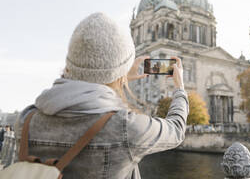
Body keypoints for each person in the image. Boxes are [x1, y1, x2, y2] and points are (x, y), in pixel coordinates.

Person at [15, 13, 189, 178]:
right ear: (119, 71)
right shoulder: (127, 128)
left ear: (70, 62)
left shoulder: (25, 120)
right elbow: (176, 130)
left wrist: (119, 76)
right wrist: (180, 87)